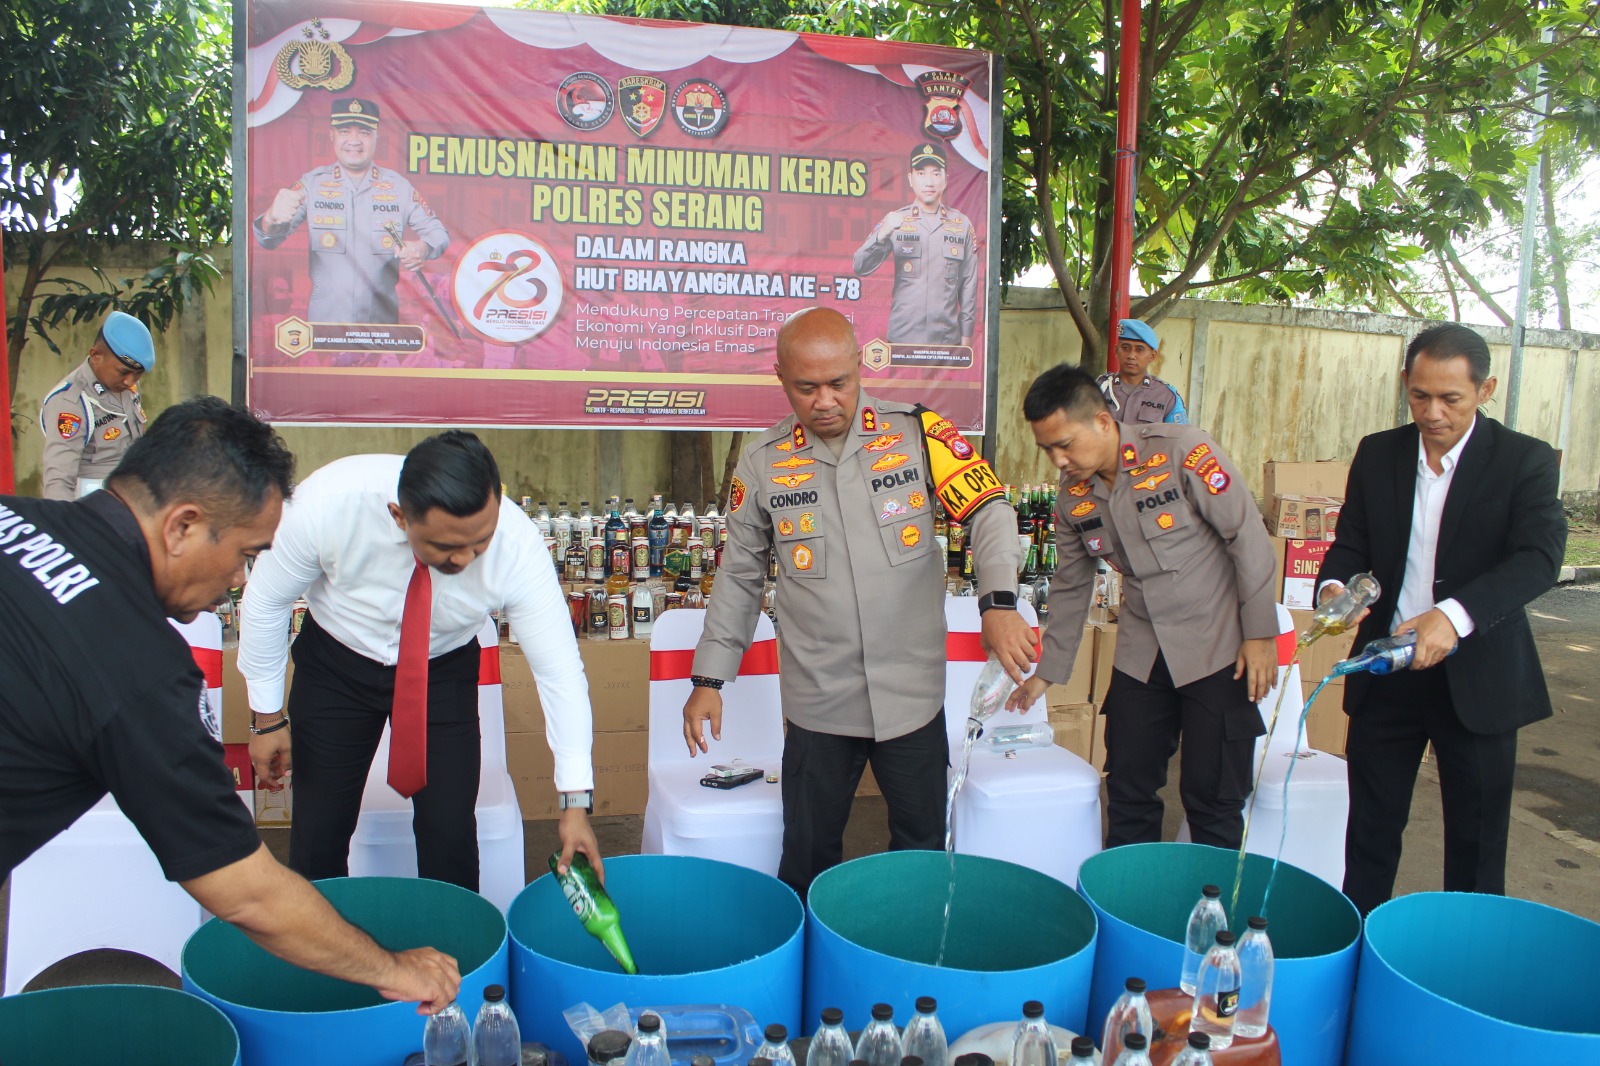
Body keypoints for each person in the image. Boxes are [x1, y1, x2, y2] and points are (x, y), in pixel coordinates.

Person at [0, 397, 459, 1012]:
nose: (242, 581)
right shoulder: (139, 669)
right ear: (182, 526)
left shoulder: (14, 519)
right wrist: (395, 969)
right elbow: (245, 891)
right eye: (246, 553)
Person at [682, 306, 1032, 899]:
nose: (825, 400)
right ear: (780, 378)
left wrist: (997, 602)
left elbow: (991, 509)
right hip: (820, 702)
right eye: (806, 386)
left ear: (861, 369)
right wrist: (709, 678)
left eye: (839, 383)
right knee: (807, 857)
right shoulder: (763, 463)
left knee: (922, 853)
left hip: (911, 697)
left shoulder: (918, 433)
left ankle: (913, 970)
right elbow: (739, 575)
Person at [239, 431, 602, 892]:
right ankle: (321, 957)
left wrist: (575, 802)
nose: (467, 558)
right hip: (336, 664)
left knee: (449, 832)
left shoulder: (517, 546)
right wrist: (267, 718)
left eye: (480, 542)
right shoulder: (325, 505)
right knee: (318, 831)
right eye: (448, 548)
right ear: (399, 517)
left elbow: (559, 671)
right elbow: (265, 601)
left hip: (441, 669)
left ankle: (458, 956)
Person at [1315, 323, 1566, 916]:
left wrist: (1453, 617)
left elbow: (1539, 558)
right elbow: (1351, 543)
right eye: (1419, 395)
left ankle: (1462, 969)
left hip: (1476, 680)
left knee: (1477, 851)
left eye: (1450, 398)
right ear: (1405, 383)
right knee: (1370, 838)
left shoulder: (1522, 461)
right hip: (1388, 672)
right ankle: (1359, 964)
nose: (1433, 413)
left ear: (1486, 390)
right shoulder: (1380, 453)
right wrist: (1336, 589)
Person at [1009, 364, 1279, 849]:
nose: (1058, 460)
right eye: (1047, 449)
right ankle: (1128, 908)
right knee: (1129, 788)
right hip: (1142, 653)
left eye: (1065, 444)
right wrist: (1046, 673)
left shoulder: (1183, 452)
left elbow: (1249, 538)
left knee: (1214, 798)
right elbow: (1072, 584)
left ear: (1103, 423)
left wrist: (1260, 636)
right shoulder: (1073, 499)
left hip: (1217, 648)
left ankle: (1211, 919)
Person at [251, 98, 449, 324]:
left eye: (364, 132)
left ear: (376, 136)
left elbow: (438, 233)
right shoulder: (311, 184)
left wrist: (422, 248)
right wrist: (272, 218)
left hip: (381, 327)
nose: (354, 141)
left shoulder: (399, 187)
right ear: (332, 135)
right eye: (345, 131)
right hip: (327, 327)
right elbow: (268, 239)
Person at [852, 142, 980, 348]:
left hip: (946, 340)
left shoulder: (961, 224)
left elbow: (968, 284)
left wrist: (966, 335)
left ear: (946, 180)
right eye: (921, 173)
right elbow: (860, 265)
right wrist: (882, 234)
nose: (929, 181)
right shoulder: (895, 220)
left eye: (936, 174)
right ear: (910, 179)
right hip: (903, 338)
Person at [37, 310, 153, 500]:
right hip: (93, 505)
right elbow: (58, 482)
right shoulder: (70, 403)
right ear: (96, 355)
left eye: (137, 374)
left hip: (131, 497)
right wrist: (64, 526)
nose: (130, 381)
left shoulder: (124, 385)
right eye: (124, 372)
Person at [1096, 319, 1187, 425]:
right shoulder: (1098, 389)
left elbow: (1179, 437)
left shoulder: (1167, 396)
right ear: (1116, 351)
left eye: (1139, 350)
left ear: (1152, 356)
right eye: (1125, 348)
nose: (1131, 355)